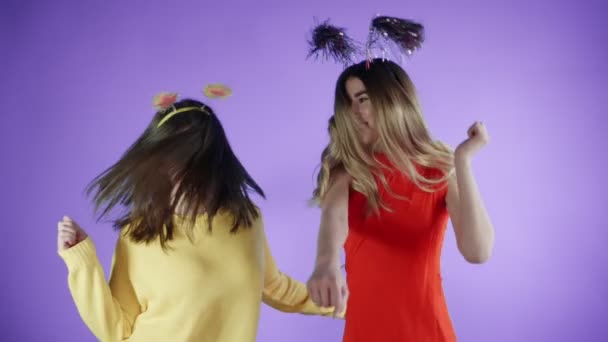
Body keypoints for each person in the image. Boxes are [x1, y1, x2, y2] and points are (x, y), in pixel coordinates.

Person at [57, 95, 338, 342]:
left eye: (200, 161)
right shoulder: (138, 235)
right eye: (178, 161)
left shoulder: (246, 220)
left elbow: (275, 287)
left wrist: (349, 303)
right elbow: (117, 331)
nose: (190, 174)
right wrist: (83, 262)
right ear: (162, 166)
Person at [306, 58, 495, 341]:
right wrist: (326, 263)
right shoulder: (345, 173)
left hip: (428, 331)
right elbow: (333, 217)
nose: (354, 113)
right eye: (349, 103)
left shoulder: (436, 173)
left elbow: (477, 252)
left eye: (363, 99)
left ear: (394, 99)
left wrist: (462, 160)